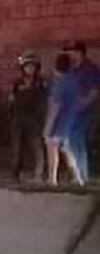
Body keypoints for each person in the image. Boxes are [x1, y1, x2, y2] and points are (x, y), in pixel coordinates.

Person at [45, 53, 84, 186]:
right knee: (66, 148)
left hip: (60, 121)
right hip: (71, 119)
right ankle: (77, 178)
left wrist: (47, 128)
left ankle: (52, 179)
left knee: (52, 146)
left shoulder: (59, 84)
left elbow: (55, 107)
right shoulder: (73, 80)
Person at [63, 40, 99, 183]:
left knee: (78, 143)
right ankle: (77, 175)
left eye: (72, 52)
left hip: (85, 113)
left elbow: (94, 93)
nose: (70, 55)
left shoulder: (91, 69)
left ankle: (82, 174)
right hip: (71, 113)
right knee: (71, 143)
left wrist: (79, 106)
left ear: (80, 52)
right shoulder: (72, 70)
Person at [9, 53, 47, 182]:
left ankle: (39, 173)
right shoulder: (17, 83)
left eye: (32, 66)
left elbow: (44, 100)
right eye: (27, 66)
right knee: (17, 148)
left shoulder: (40, 83)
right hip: (18, 119)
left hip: (34, 120)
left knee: (37, 147)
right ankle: (15, 174)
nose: (30, 69)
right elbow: (12, 99)